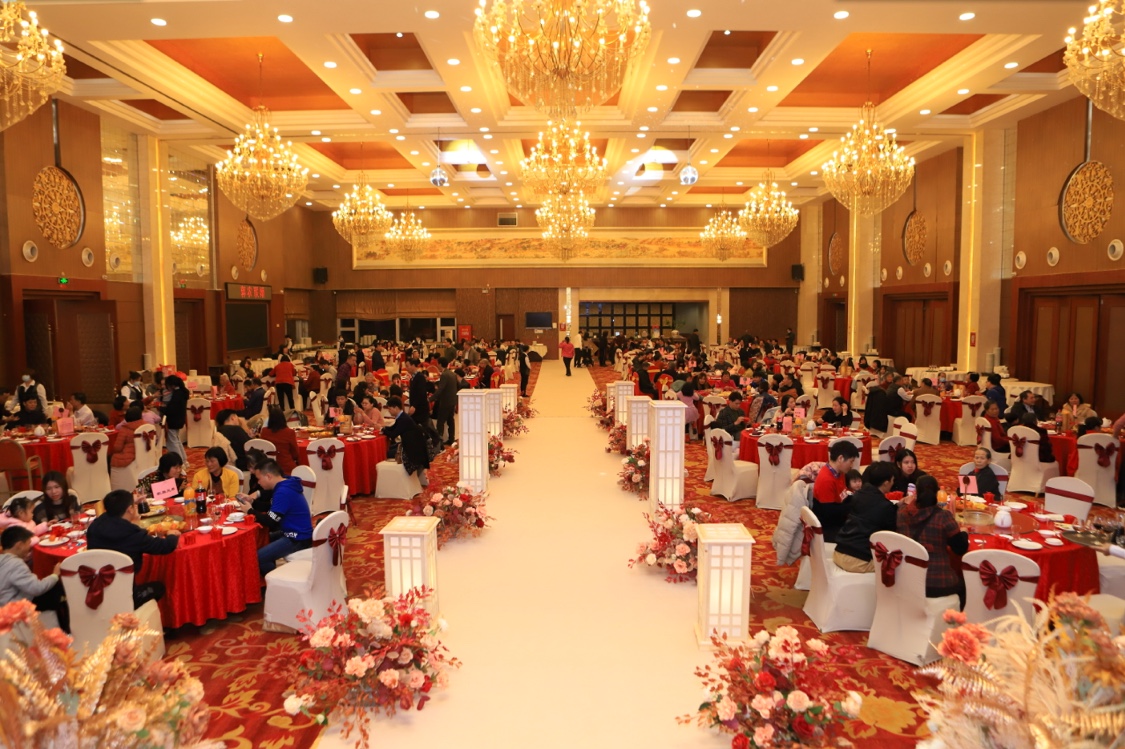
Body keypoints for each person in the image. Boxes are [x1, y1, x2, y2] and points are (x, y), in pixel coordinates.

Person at [87, 489, 179, 607]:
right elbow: (165, 546)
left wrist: (128, 503)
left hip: (95, 590)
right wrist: (171, 535)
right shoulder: (133, 534)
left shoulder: (94, 526)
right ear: (130, 509)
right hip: (125, 595)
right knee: (159, 587)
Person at [897, 475, 969, 608]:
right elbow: (960, 548)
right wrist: (964, 533)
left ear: (916, 493)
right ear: (937, 493)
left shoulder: (902, 513)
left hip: (908, 578)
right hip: (937, 582)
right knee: (965, 586)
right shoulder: (943, 517)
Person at [235, 460, 312, 576]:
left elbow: (271, 521)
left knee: (258, 557)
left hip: (297, 538)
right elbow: (272, 508)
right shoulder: (286, 483)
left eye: (259, 479)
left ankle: (276, 579)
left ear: (268, 476)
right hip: (293, 532)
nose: (258, 483)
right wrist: (252, 502)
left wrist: (250, 511)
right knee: (261, 539)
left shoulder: (283, 491)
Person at [832, 461, 899, 573]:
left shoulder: (858, 495)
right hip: (859, 560)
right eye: (892, 480)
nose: (893, 483)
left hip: (839, 552)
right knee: (897, 565)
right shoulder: (885, 506)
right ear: (886, 483)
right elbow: (890, 535)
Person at [0, 526, 68, 630]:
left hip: (4, 603)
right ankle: (63, 628)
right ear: (19, 545)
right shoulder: (15, 564)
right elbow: (37, 588)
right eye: (28, 544)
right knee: (56, 590)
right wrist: (55, 575)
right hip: (13, 609)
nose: (29, 548)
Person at [812, 440, 860, 542]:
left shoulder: (840, 473)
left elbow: (843, 497)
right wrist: (853, 507)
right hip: (828, 527)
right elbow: (829, 513)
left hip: (836, 517)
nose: (851, 465)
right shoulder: (826, 480)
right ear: (840, 458)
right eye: (851, 461)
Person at [382, 396, 430, 487]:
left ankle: (391, 481)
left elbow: (393, 434)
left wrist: (382, 430)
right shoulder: (402, 416)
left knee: (386, 453)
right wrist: (384, 428)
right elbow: (393, 428)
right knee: (390, 448)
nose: (389, 411)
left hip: (411, 450)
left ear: (396, 408)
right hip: (412, 445)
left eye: (390, 409)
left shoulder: (403, 419)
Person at [109, 406, 147, 491]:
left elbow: (118, 447)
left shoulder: (125, 429)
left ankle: (116, 487)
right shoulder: (147, 426)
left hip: (129, 457)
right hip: (144, 455)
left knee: (111, 457)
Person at [260, 407, 300, 475]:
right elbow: (295, 453)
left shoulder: (264, 431)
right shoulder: (289, 432)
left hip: (268, 467)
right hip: (286, 467)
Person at [160, 375, 188, 461]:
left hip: (173, 420)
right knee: (177, 440)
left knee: (173, 443)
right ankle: (183, 459)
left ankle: (179, 461)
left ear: (171, 385)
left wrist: (161, 408)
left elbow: (171, 408)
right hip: (179, 418)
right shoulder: (182, 392)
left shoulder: (177, 394)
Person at [432, 357, 458, 446]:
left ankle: (439, 441)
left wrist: (431, 398)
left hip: (445, 401)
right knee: (451, 421)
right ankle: (451, 439)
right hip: (452, 400)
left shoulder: (444, 375)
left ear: (440, 364)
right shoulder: (452, 374)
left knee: (440, 422)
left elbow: (440, 389)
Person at [406, 359, 432, 427]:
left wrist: (414, 406)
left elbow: (421, 393)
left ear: (413, 365)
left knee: (425, 428)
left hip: (421, 409)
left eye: (407, 366)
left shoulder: (420, 377)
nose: (406, 368)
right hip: (415, 409)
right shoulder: (412, 378)